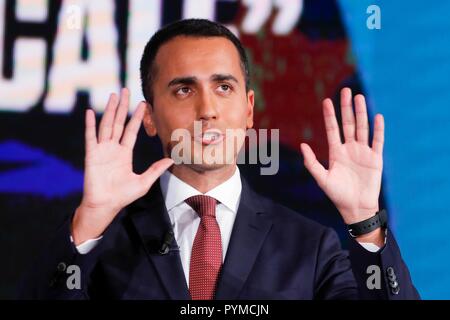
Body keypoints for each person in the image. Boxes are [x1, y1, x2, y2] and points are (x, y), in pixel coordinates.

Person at [20, 19, 419, 299]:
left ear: (248, 111)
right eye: (182, 90)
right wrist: (91, 221)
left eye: (223, 87)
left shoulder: (309, 246)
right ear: (150, 118)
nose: (207, 109)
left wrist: (366, 222)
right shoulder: (101, 240)